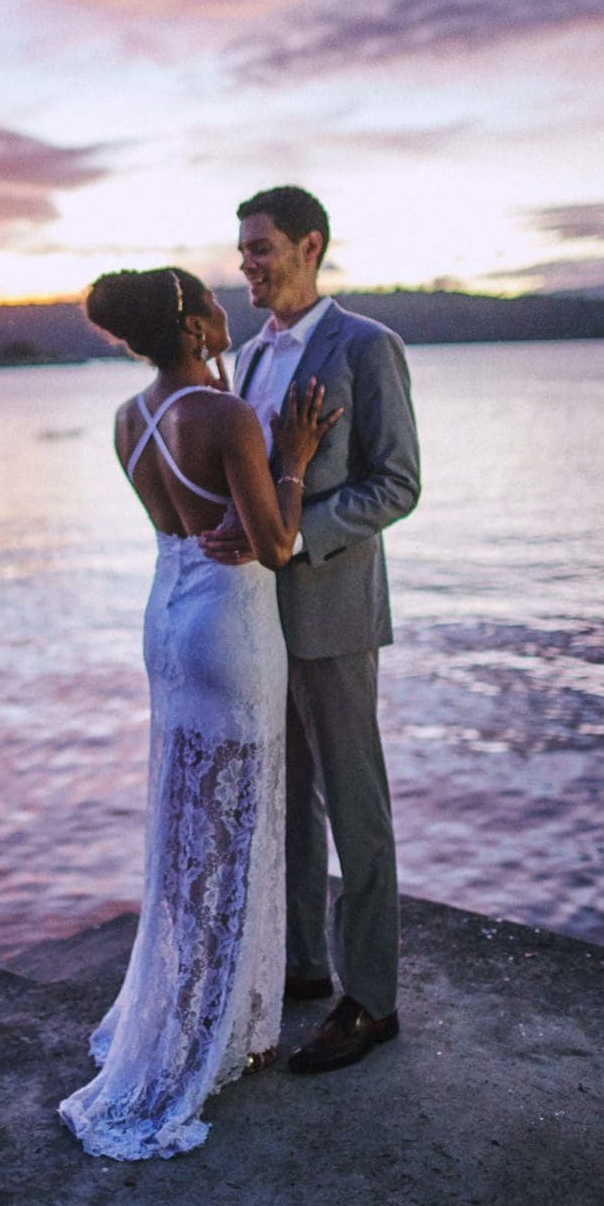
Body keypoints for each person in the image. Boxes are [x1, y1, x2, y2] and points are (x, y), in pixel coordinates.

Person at [59, 266, 340, 1159]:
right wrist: (291, 460)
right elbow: (276, 543)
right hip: (231, 625)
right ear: (189, 325)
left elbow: (189, 515)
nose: (229, 308)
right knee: (234, 825)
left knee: (186, 820)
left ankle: (200, 1013)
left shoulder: (128, 418)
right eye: (211, 303)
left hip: (168, 617)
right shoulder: (226, 418)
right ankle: (215, 1034)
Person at [200, 186, 420, 1075]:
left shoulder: (367, 346)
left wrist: (295, 542)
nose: (246, 262)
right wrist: (234, 527)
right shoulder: (250, 360)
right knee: (285, 796)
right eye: (242, 248)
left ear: (309, 246)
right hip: (257, 619)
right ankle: (301, 965)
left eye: (260, 247)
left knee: (355, 804)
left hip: (330, 609)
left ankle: (370, 1000)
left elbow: (396, 483)